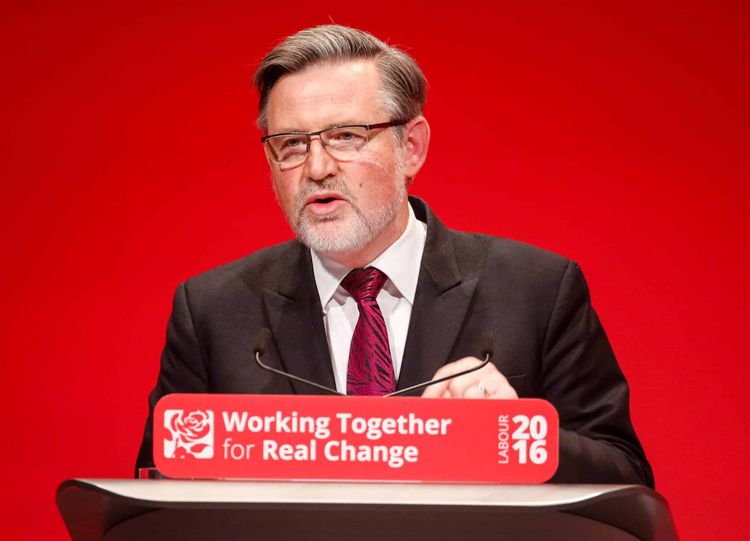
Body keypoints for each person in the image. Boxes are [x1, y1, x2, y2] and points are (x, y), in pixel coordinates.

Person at [136, 24, 653, 486]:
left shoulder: (535, 290)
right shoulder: (213, 310)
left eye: (346, 136)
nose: (316, 167)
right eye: (291, 144)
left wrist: (517, 433)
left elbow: (626, 474)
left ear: (411, 147)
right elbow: (155, 493)